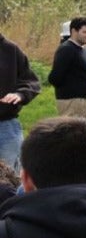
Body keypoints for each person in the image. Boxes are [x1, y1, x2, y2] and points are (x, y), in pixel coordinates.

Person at [0, 31, 40, 170]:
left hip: (6, 126)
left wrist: (20, 94)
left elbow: (31, 81)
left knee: (11, 175)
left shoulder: (10, 50)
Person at [50, 17, 86, 119]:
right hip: (73, 102)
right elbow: (54, 78)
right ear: (73, 31)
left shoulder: (82, 50)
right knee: (76, 133)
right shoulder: (66, 49)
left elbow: (80, 75)